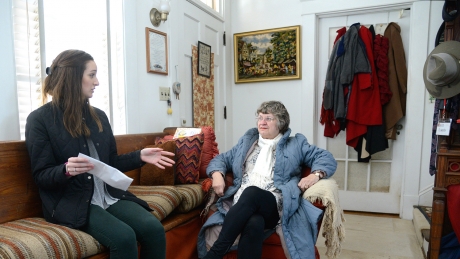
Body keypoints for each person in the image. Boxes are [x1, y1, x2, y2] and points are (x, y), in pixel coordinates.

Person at [25, 49, 175, 259]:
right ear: (73, 77)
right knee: (124, 238)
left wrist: (139, 155)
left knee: (154, 230)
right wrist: (66, 170)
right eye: (92, 75)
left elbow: (110, 162)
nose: (97, 82)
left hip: (107, 195)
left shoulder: (99, 117)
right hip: (71, 201)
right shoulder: (39, 120)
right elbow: (41, 176)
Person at [197, 100, 337, 259]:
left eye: (268, 118)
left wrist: (315, 175)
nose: (262, 122)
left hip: (274, 204)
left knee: (252, 193)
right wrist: (217, 175)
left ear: (281, 123)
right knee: (254, 222)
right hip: (242, 204)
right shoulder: (247, 141)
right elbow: (221, 159)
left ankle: (215, 253)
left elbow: (325, 157)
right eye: (260, 117)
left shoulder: (296, 144)